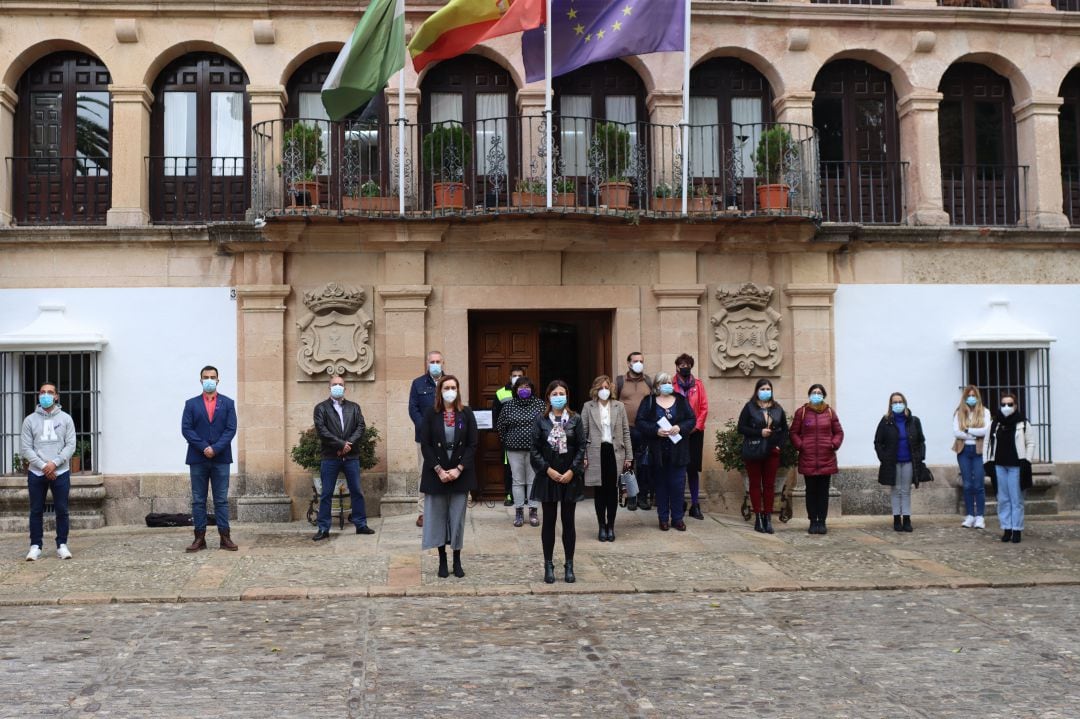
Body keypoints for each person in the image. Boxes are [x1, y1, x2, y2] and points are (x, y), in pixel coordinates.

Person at [419, 375, 478, 577]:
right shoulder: (430, 414)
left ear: (458, 390)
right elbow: (425, 445)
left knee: (457, 519)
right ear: (440, 391)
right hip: (437, 474)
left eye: (453, 387)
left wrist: (459, 468)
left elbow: (473, 444)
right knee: (438, 518)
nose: (450, 391)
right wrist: (438, 470)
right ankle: (442, 560)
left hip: (460, 473)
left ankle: (457, 559)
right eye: (446, 387)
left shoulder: (466, 413)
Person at [530, 380, 586, 584]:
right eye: (555, 393)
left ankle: (569, 564)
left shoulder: (575, 419)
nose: (558, 396)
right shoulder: (541, 420)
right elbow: (534, 449)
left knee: (568, 522)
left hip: (569, 477)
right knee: (550, 522)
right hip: (549, 477)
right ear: (549, 397)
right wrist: (547, 470)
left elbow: (581, 446)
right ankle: (548, 564)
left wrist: (573, 470)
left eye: (562, 393)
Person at [181, 365, 238, 551]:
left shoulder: (228, 403)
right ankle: (199, 538)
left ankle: (225, 537)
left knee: (221, 499)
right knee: (198, 499)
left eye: (212, 377)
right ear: (200, 380)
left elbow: (231, 429)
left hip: (221, 459)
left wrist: (216, 448)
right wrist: (204, 447)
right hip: (198, 458)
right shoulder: (191, 404)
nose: (209, 380)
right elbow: (186, 429)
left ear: (218, 380)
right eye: (206, 377)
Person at [311, 375, 375, 540]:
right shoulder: (321, 408)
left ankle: (361, 524)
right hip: (330, 457)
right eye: (334, 384)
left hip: (351, 456)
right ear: (329, 387)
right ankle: (323, 528)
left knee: (357, 491)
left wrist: (349, 445)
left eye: (340, 384)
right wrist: (340, 445)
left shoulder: (354, 407)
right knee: (326, 493)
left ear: (345, 388)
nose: (337, 386)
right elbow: (322, 430)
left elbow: (360, 427)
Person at [20, 382, 76, 561]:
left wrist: (55, 463)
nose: (46, 395)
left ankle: (62, 545)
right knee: (36, 510)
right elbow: (26, 448)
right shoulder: (29, 420)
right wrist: (44, 466)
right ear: (38, 395)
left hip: (61, 472)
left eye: (50, 392)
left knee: (62, 510)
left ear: (56, 396)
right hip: (37, 473)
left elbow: (71, 445)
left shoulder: (66, 419)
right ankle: (35, 546)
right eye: (43, 392)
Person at [636, 372, 697, 532]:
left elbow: (691, 419)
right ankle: (663, 518)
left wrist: (680, 427)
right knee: (661, 486)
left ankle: (678, 518)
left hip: (678, 451)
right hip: (657, 452)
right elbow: (640, 422)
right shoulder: (648, 401)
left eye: (670, 382)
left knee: (677, 485)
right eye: (665, 382)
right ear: (657, 385)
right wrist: (655, 431)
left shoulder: (681, 401)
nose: (669, 385)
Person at [581, 375, 632, 542]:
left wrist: (629, 457)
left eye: (607, 387)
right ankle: (601, 526)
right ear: (596, 389)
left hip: (615, 452)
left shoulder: (619, 406)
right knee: (600, 491)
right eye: (601, 387)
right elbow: (583, 433)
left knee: (612, 491)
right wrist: (583, 455)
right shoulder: (588, 407)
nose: (605, 390)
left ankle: (611, 525)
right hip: (596, 452)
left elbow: (625, 432)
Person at [789, 383, 844, 535]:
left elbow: (839, 432)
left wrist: (833, 444)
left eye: (819, 392)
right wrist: (801, 445)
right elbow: (793, 432)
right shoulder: (802, 412)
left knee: (823, 492)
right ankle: (813, 521)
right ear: (809, 395)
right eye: (814, 392)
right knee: (811, 492)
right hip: (808, 458)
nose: (816, 394)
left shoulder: (830, 413)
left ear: (823, 395)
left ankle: (822, 521)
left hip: (827, 458)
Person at [737, 378, 788, 534]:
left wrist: (779, 445)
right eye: (763, 389)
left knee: (769, 485)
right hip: (754, 450)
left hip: (772, 451)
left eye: (768, 389)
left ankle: (767, 517)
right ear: (757, 390)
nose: (766, 391)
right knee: (754, 484)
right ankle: (757, 517)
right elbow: (741, 428)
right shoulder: (749, 407)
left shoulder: (778, 409)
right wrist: (759, 432)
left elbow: (785, 430)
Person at [986, 391, 1036, 544]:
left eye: (1010, 404)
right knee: (1003, 499)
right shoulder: (995, 423)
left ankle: (1017, 529)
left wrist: (1026, 460)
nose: (1006, 407)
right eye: (1003, 404)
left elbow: (1031, 443)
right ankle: (1006, 528)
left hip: (1016, 465)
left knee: (1016, 499)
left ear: (1015, 406)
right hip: (999, 465)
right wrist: (987, 461)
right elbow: (988, 443)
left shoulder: (1023, 423)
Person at [496, 375, 545, 527]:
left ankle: (533, 511)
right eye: (521, 387)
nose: (524, 390)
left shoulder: (540, 404)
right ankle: (518, 512)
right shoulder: (509, 406)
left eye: (527, 387)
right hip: (513, 450)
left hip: (534, 450)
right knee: (517, 480)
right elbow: (501, 426)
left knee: (532, 480)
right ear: (516, 390)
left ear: (532, 389)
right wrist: (508, 440)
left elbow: (546, 425)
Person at [874, 391, 926, 533]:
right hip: (893, 462)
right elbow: (878, 442)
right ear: (890, 405)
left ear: (905, 403)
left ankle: (907, 519)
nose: (898, 404)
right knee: (896, 490)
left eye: (900, 401)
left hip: (909, 461)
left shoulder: (914, 421)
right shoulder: (885, 421)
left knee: (906, 490)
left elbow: (921, 440)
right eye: (895, 402)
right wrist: (884, 457)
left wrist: (920, 456)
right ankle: (897, 518)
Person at [409, 350, 444, 528]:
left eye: (438, 361)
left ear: (443, 363)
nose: (435, 365)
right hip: (424, 438)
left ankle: (442, 511)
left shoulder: (449, 383)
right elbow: (413, 409)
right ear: (427, 363)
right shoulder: (417, 383)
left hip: (447, 437)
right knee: (424, 473)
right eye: (432, 362)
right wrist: (426, 428)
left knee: (445, 470)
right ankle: (423, 512)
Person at [673, 353, 709, 520]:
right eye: (682, 365)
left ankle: (695, 505)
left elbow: (703, 407)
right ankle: (679, 503)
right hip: (676, 432)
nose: (684, 367)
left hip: (694, 433)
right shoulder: (670, 384)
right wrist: (678, 427)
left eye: (687, 364)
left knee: (693, 469)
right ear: (677, 366)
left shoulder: (699, 385)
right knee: (678, 468)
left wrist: (695, 426)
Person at [615, 351, 652, 510]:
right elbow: (613, 403)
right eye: (636, 361)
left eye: (641, 361)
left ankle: (643, 496)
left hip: (644, 429)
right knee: (628, 464)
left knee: (644, 464)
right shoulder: (620, 381)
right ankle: (630, 496)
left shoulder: (648, 381)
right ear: (629, 363)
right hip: (626, 429)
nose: (639, 363)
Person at [952, 385, 991, 529]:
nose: (971, 398)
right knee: (967, 484)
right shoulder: (959, 413)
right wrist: (975, 433)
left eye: (974, 395)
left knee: (978, 484)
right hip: (964, 450)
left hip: (979, 451)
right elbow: (957, 432)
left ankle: (980, 516)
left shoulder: (985, 412)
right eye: (969, 395)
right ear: (965, 397)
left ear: (978, 397)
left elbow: (986, 430)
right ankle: (970, 515)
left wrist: (967, 430)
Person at [492, 366, 526, 507]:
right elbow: (496, 415)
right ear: (509, 377)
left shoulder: (527, 391)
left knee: (526, 468)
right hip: (508, 438)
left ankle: (525, 497)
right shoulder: (501, 393)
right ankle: (509, 495)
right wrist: (502, 435)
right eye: (514, 375)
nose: (516, 377)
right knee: (509, 468)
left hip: (526, 439)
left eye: (519, 375)